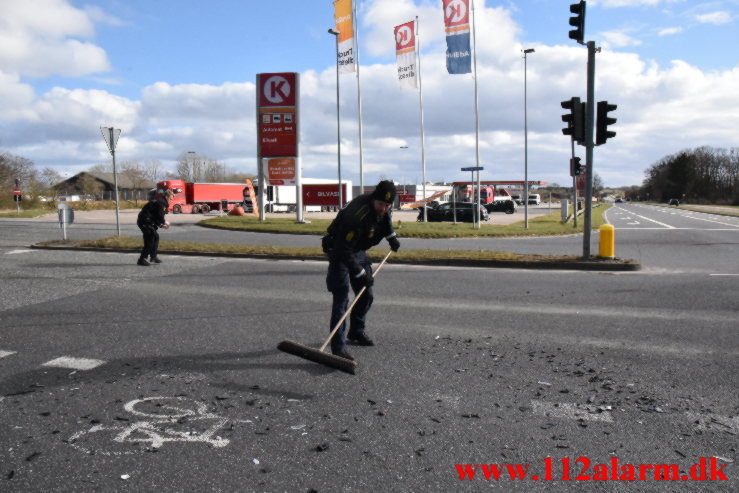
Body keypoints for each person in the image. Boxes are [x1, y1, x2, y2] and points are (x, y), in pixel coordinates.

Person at [322, 180, 401, 361]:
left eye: (387, 205)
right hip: (340, 249)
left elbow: (385, 219)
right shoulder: (356, 216)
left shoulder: (383, 209)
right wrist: (359, 273)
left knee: (366, 294)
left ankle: (356, 331)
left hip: (357, 250)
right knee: (341, 298)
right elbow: (344, 249)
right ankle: (338, 348)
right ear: (374, 199)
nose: (384, 208)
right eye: (381, 204)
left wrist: (391, 237)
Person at [136, 189, 173, 266]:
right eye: (170, 198)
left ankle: (153, 256)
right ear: (166, 197)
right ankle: (142, 259)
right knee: (150, 238)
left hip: (148, 221)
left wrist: (161, 225)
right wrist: (164, 222)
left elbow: (155, 216)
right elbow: (160, 216)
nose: (171, 200)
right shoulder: (161, 203)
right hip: (145, 221)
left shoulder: (161, 202)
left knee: (156, 237)